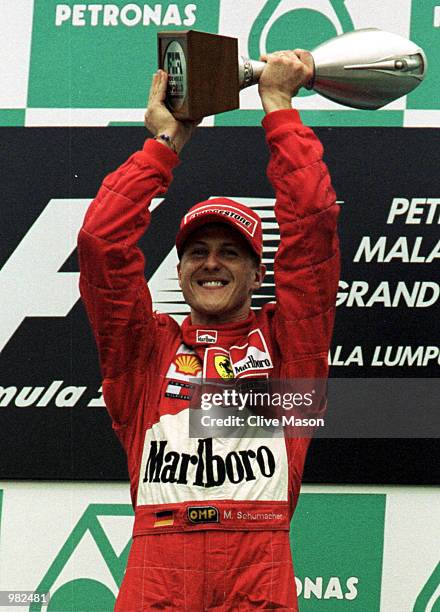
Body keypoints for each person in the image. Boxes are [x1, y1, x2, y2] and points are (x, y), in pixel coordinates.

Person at [78, 49, 340, 611]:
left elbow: (313, 225)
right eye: (196, 252)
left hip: (258, 572)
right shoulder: (145, 353)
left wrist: (278, 109)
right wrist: (163, 146)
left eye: (231, 252)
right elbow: (101, 246)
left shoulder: (290, 345)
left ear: (258, 272)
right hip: (158, 573)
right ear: (178, 270)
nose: (212, 263)